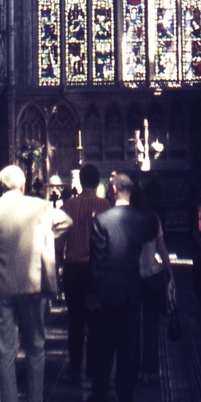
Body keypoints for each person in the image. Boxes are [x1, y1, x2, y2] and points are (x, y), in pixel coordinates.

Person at [0, 164, 72, 402]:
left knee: (5, 348)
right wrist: (47, 236)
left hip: (0, 285)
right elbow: (67, 221)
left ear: (0, 186)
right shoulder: (40, 207)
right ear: (23, 185)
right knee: (35, 343)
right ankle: (35, 401)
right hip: (33, 283)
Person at [87, 171, 153, 402]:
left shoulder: (102, 220)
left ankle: (100, 393)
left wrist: (91, 294)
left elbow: (96, 262)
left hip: (105, 292)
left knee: (103, 345)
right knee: (128, 346)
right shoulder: (141, 220)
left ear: (113, 190)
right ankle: (126, 398)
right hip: (131, 291)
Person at [56, 163, 111, 383]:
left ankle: (75, 368)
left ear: (81, 182)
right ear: (97, 183)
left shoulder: (68, 206)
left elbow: (59, 243)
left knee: (75, 321)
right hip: (96, 271)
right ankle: (93, 369)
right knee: (96, 322)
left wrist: (57, 269)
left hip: (72, 269)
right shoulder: (106, 206)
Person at [131, 182, 174, 386]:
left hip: (132, 278)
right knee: (150, 326)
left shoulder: (127, 220)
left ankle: (132, 368)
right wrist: (170, 272)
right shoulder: (153, 219)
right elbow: (162, 249)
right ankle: (147, 373)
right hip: (153, 276)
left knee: (132, 326)